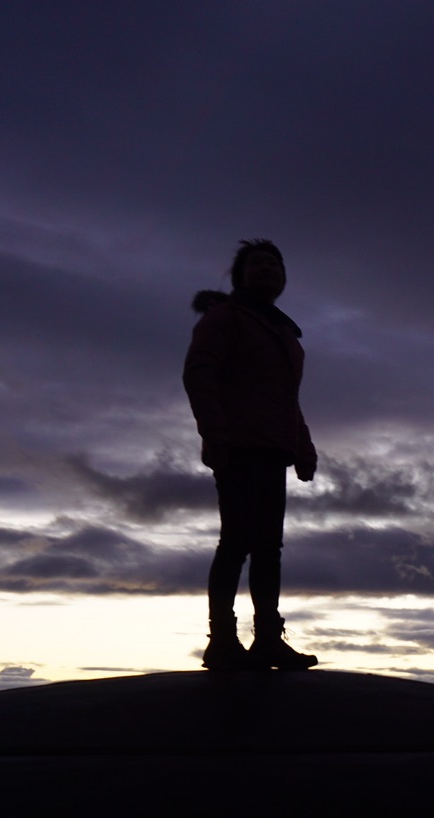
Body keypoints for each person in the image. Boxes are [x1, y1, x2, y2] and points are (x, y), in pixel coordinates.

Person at [183, 239, 320, 671]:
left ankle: (267, 640)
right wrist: (216, 435)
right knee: (237, 542)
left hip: (272, 448)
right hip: (238, 444)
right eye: (256, 263)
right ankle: (222, 640)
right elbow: (200, 375)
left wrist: (303, 443)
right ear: (239, 275)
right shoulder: (224, 318)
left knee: (268, 548)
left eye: (274, 264)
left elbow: (286, 398)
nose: (267, 269)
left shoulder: (282, 332)